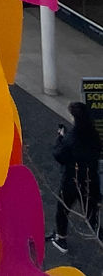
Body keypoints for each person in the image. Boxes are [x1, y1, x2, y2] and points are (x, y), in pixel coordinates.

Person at [48, 101, 102, 253]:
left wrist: (60, 138)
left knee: (63, 210)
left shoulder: (71, 138)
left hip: (72, 181)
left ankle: (61, 238)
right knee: (91, 213)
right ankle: (99, 235)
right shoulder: (94, 134)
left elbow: (59, 155)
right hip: (91, 180)